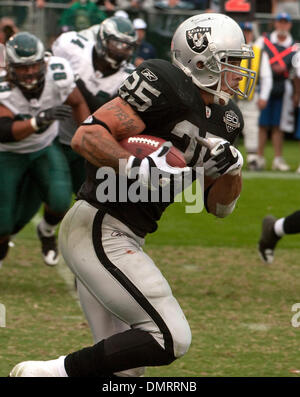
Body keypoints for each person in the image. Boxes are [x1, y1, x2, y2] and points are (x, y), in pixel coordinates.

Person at [9, 13, 255, 377]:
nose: (238, 73)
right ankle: (46, 373)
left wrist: (232, 170)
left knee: (127, 371)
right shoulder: (165, 81)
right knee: (170, 336)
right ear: (202, 60)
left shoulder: (228, 119)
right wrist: (134, 166)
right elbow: (86, 136)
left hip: (127, 237)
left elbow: (219, 208)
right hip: (98, 224)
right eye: (231, 62)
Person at [0, 32, 89, 268]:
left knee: (60, 201)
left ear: (44, 61)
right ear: (10, 67)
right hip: (6, 153)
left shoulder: (57, 75)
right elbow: (4, 130)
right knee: (3, 224)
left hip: (43, 147)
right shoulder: (2, 85)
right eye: (22, 67)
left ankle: (46, 230)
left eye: (34, 65)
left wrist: (89, 133)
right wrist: (38, 121)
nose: (29, 72)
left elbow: (77, 101)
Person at [52, 16, 137, 194]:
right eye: (117, 44)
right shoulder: (73, 46)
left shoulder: (128, 77)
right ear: (102, 40)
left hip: (87, 144)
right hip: (51, 134)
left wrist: (77, 85)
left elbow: (102, 111)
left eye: (128, 46)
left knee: (87, 196)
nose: (122, 51)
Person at [256, 12, 297, 171]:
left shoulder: (294, 45)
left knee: (278, 125)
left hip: (283, 87)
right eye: (280, 22)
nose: (282, 25)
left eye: (285, 22)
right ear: (275, 23)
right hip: (264, 86)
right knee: (262, 124)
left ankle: (278, 159)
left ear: (290, 25)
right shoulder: (263, 41)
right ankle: (259, 158)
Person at [236, 22, 273, 170]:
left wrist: (264, 96)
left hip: (250, 96)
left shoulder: (258, 52)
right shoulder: (229, 49)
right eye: (244, 31)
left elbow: (266, 77)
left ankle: (252, 158)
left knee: (252, 127)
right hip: (230, 96)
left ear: (252, 33)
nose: (246, 34)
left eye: (248, 31)